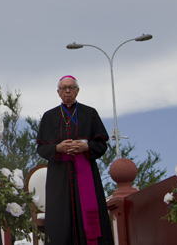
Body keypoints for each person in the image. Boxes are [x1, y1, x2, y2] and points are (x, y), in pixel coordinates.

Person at [36, 75, 114, 245]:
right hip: (59, 175)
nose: (68, 91)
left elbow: (102, 145)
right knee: (60, 218)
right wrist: (58, 148)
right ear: (58, 92)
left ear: (78, 90)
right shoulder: (49, 116)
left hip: (85, 171)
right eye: (64, 88)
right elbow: (41, 148)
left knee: (88, 214)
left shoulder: (90, 113)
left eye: (71, 88)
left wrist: (86, 147)